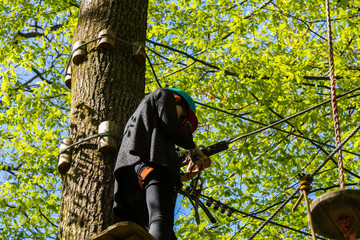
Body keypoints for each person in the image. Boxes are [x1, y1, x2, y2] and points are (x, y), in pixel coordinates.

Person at [113, 88, 211, 240]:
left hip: (131, 179)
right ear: (177, 100)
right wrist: (194, 148)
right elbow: (170, 125)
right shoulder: (164, 95)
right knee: (161, 222)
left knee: (158, 232)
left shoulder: (141, 123)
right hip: (153, 170)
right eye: (183, 118)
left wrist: (184, 176)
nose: (181, 122)